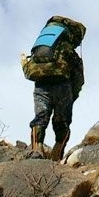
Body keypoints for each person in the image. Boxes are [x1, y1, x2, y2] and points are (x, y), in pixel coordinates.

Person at [23, 16, 86, 161]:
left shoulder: (42, 48)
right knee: (62, 121)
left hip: (41, 85)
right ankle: (57, 154)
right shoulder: (69, 52)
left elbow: (29, 70)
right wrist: (73, 95)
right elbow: (79, 79)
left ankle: (36, 150)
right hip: (63, 87)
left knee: (40, 117)